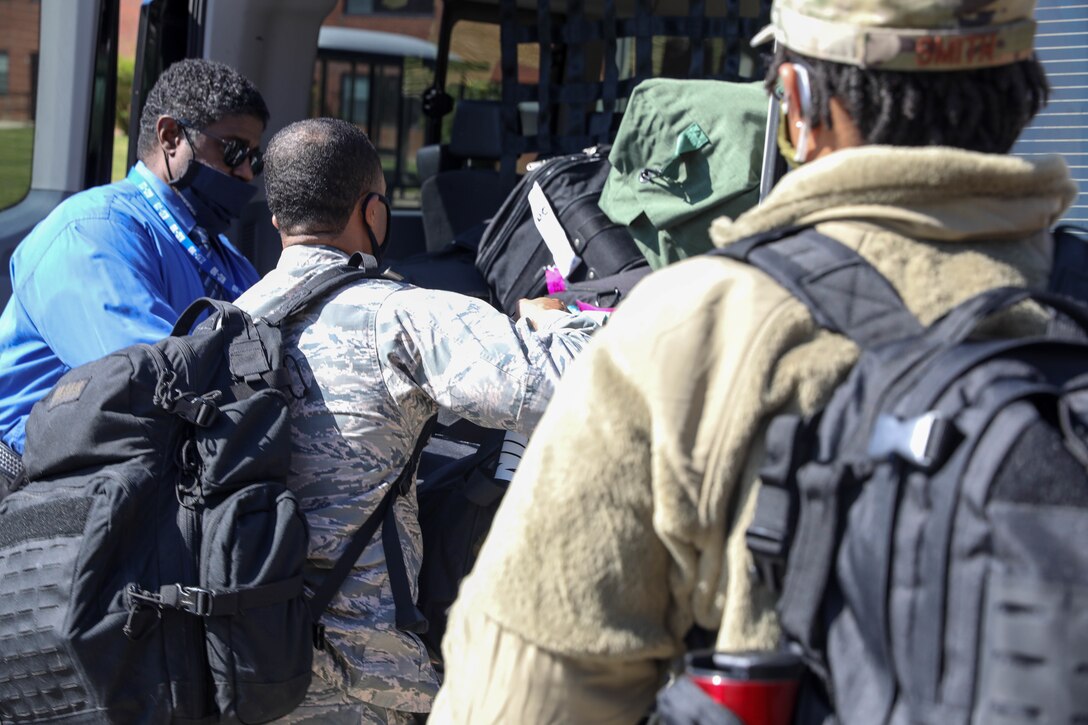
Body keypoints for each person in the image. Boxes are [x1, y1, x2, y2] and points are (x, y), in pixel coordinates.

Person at [429, 0, 1077, 722]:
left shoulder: (698, 326)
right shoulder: (1067, 306)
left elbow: (527, 694)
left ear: (795, 105)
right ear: (1027, 89)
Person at [231, 117, 603, 724]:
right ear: (374, 212)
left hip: (244, 661)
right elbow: (560, 387)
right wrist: (554, 321)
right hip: (361, 679)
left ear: (278, 222)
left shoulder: (226, 324)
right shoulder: (399, 317)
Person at [0, 58, 267, 475]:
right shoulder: (89, 232)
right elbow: (150, 384)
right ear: (170, 136)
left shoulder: (224, 257)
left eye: (256, 157)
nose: (248, 173)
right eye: (234, 151)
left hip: (133, 474)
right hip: (38, 484)